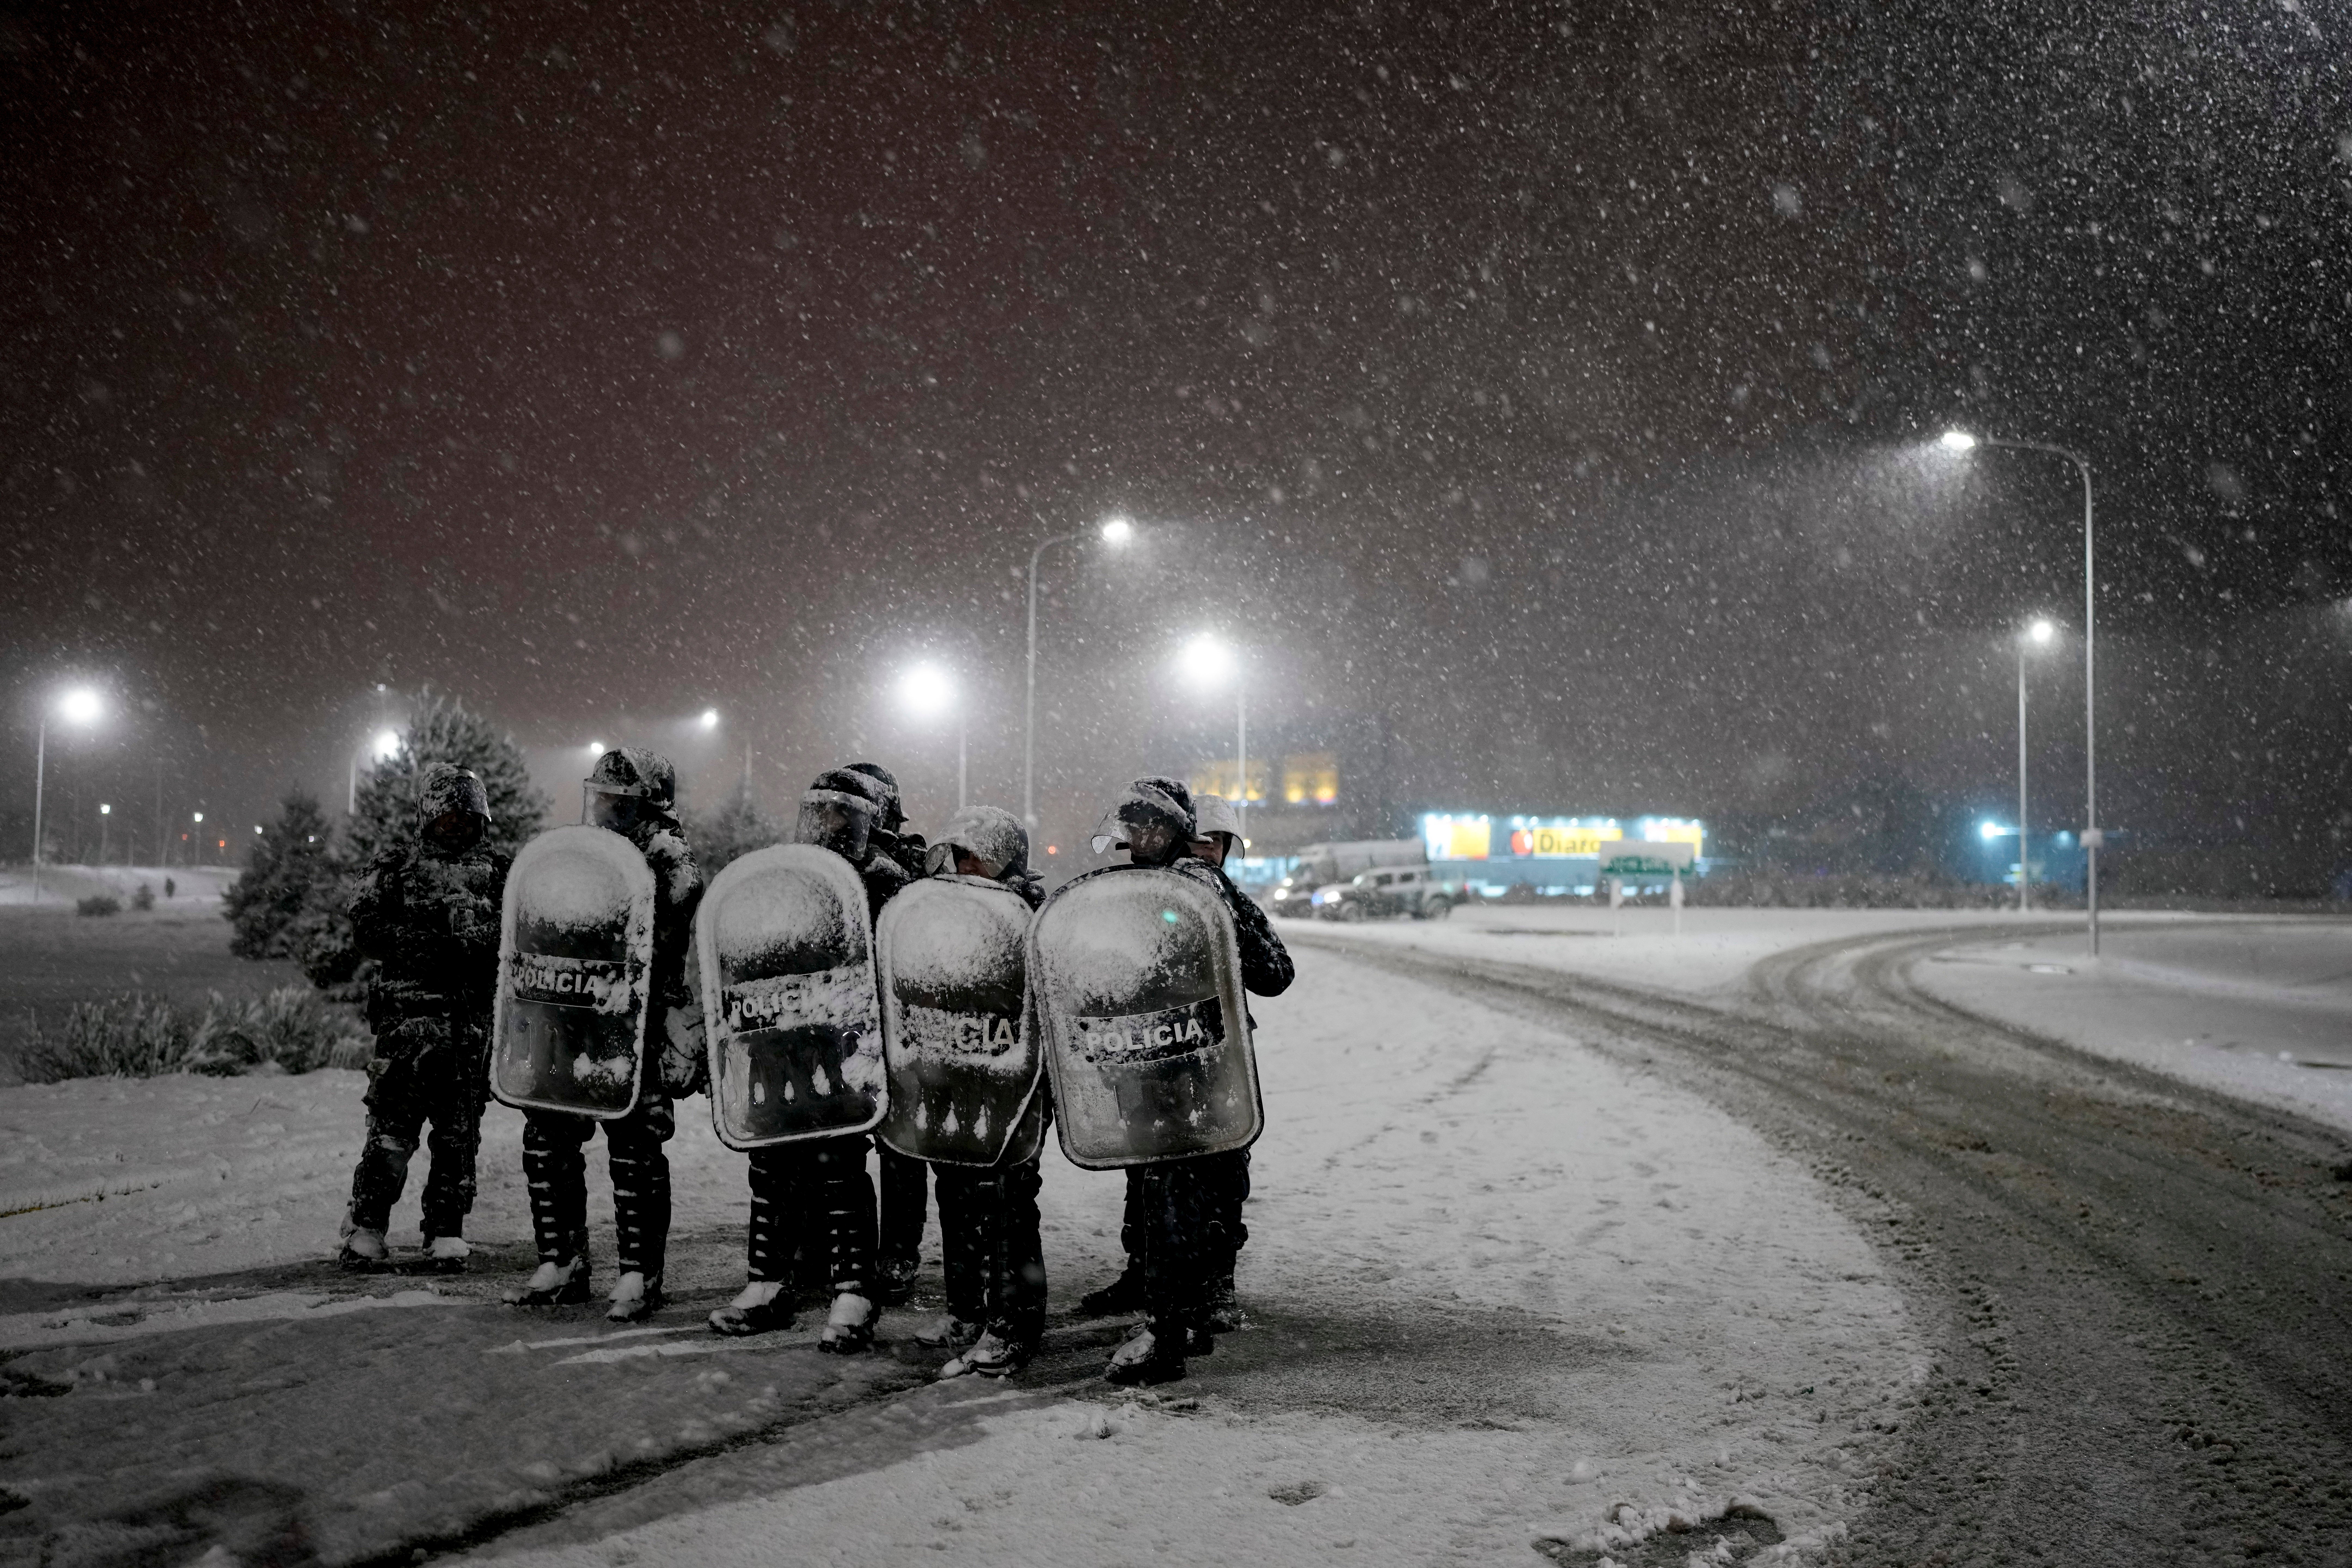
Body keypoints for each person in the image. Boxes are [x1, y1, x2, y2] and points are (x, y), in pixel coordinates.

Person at [1083, 778, 1292, 1386]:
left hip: (1206, 1066)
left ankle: (1190, 1311)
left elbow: (1276, 973)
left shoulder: (1211, 891)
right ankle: (1169, 1302)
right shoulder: (1118, 891)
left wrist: (1217, 929)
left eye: (1214, 845)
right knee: (1153, 1183)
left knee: (1200, 1186)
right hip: (1140, 1062)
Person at [709, 768, 909, 1348]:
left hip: (845, 1048)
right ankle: (768, 1283)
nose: (830, 826)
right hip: (785, 1043)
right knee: (771, 1166)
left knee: (838, 1167)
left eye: (844, 816)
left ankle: (854, 1292)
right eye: (821, 814)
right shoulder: (787, 873)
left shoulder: (883, 880)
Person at [506, 747, 704, 1324]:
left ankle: (640, 1273)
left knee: (635, 1150)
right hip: (574, 1018)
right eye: (605, 799)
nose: (608, 811)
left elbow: (663, 915)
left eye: (621, 801)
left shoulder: (670, 858)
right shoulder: (584, 854)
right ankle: (561, 1261)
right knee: (547, 1136)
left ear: (650, 803)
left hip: (634, 1023)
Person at [337, 764, 511, 1273]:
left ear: (482, 818)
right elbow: (367, 929)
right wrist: (432, 942)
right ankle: (366, 1229)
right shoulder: (394, 868)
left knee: (458, 1142)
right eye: (447, 816)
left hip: (468, 1032)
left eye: (467, 815)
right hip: (406, 1033)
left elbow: (523, 933)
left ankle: (446, 1232)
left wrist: (479, 946)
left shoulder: (503, 875)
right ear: (427, 818)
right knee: (391, 1136)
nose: (457, 825)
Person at [907, 806, 1051, 1378]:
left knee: (1008, 1205)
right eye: (962, 855)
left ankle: (1014, 1324)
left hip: (1010, 1083)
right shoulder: (937, 913)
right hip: (952, 1076)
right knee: (957, 1195)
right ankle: (967, 1312)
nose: (968, 866)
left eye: (980, 857)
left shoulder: (1028, 914)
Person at [846, 761, 930, 1303]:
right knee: (836, 1147)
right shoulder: (827, 864)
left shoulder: (908, 867)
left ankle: (898, 1254)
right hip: (841, 1023)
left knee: (902, 1149)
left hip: (899, 1026)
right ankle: (843, 1248)